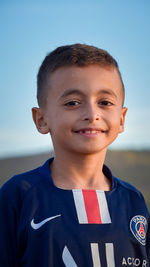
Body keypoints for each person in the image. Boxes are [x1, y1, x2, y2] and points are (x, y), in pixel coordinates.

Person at [0, 44, 149, 267]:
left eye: (105, 102)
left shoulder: (133, 200)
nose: (92, 114)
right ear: (41, 119)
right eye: (73, 103)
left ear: (121, 119)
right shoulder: (18, 196)